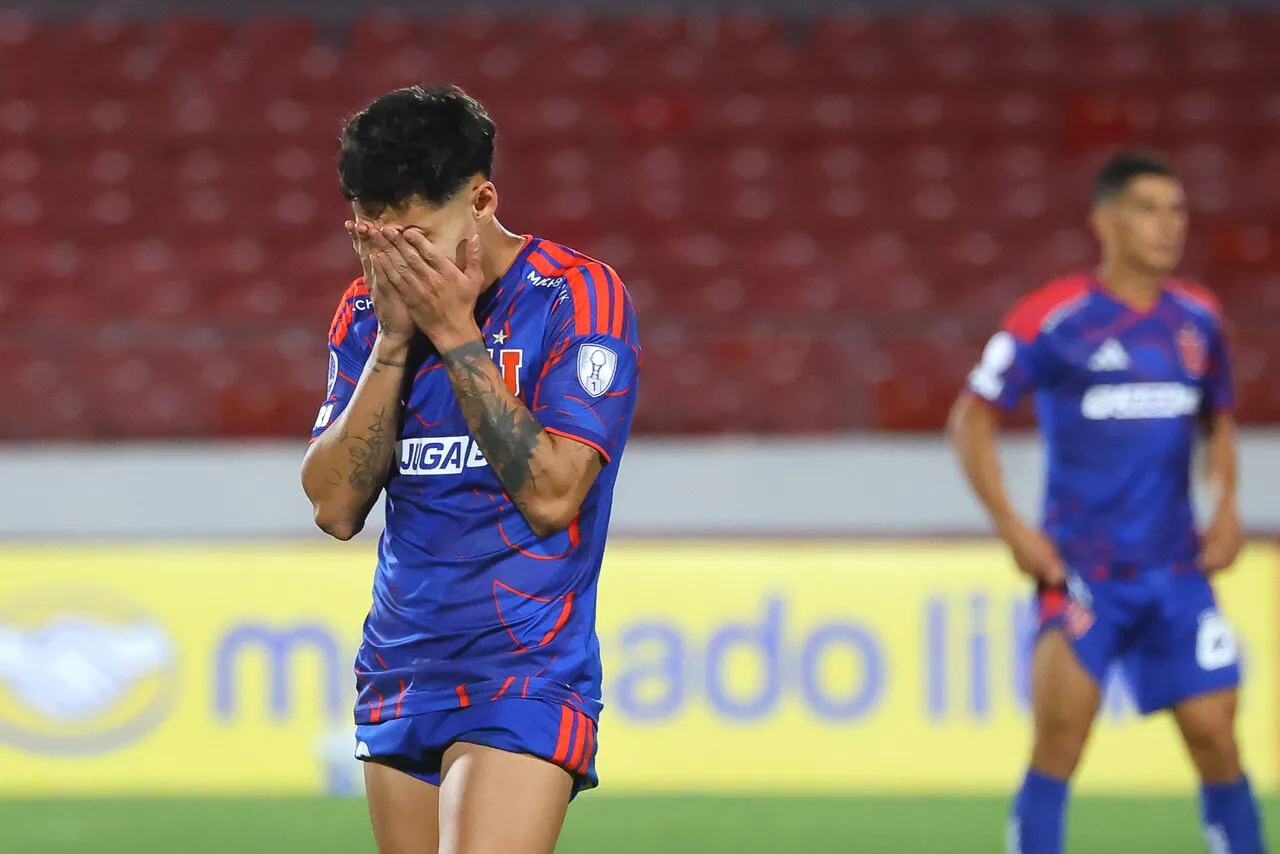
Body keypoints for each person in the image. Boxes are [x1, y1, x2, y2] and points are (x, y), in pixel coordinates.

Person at [301, 84, 641, 854]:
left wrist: (454, 334)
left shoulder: (577, 300)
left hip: (524, 668)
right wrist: (392, 342)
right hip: (399, 668)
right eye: (375, 241)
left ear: (483, 199)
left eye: (416, 240)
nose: (396, 264)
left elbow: (554, 495)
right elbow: (334, 509)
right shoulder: (366, 313)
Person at [948, 150, 1264, 854]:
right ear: (1105, 221)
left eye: (1178, 210)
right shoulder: (1055, 317)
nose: (1168, 226)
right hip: (1084, 575)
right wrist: (1011, 528)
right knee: (1062, 743)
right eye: (1149, 209)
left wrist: (1229, 505)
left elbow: (1217, 419)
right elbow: (970, 417)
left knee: (1217, 736)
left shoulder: (1199, 320)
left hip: (1177, 574)